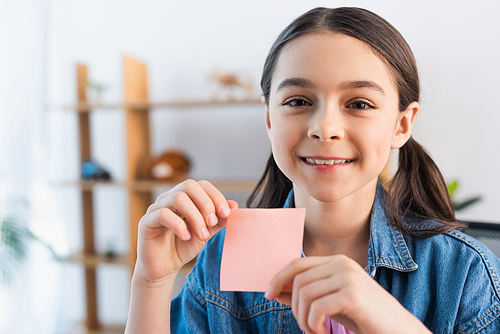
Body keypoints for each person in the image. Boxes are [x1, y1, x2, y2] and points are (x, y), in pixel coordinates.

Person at [125, 7, 500, 334]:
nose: (324, 127)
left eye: (359, 103)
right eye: (299, 101)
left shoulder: (465, 273)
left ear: (402, 125)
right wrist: (151, 282)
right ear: (270, 118)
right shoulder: (220, 259)